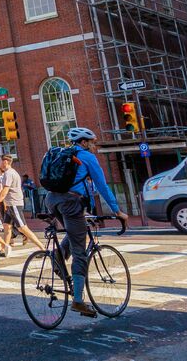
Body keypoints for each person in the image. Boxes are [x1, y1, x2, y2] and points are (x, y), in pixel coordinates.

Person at [46, 127, 129, 318]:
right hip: (71, 202)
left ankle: (58, 256)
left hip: (52, 200)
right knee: (80, 251)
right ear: (83, 142)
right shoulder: (87, 157)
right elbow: (102, 184)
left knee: (75, 233)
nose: (93, 146)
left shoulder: (64, 154)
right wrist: (117, 211)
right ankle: (78, 301)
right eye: (91, 142)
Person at [0, 155, 44, 252]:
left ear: (5, 162)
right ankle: (4, 250)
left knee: (22, 228)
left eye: (0, 161)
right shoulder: (12, 172)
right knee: (6, 226)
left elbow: (5, 190)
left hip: (14, 203)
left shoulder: (8, 173)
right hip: (11, 204)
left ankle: (42, 248)